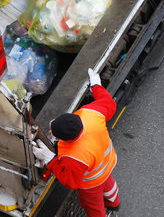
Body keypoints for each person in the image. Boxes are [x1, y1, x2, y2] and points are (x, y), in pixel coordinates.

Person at [32, 68, 120, 217]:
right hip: (107, 163)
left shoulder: (74, 155)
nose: (50, 133)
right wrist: (96, 85)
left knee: (93, 205)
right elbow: (108, 103)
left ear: (66, 139)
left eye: (53, 132)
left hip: (92, 183)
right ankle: (114, 202)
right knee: (109, 184)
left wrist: (50, 159)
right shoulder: (90, 114)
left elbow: (71, 182)